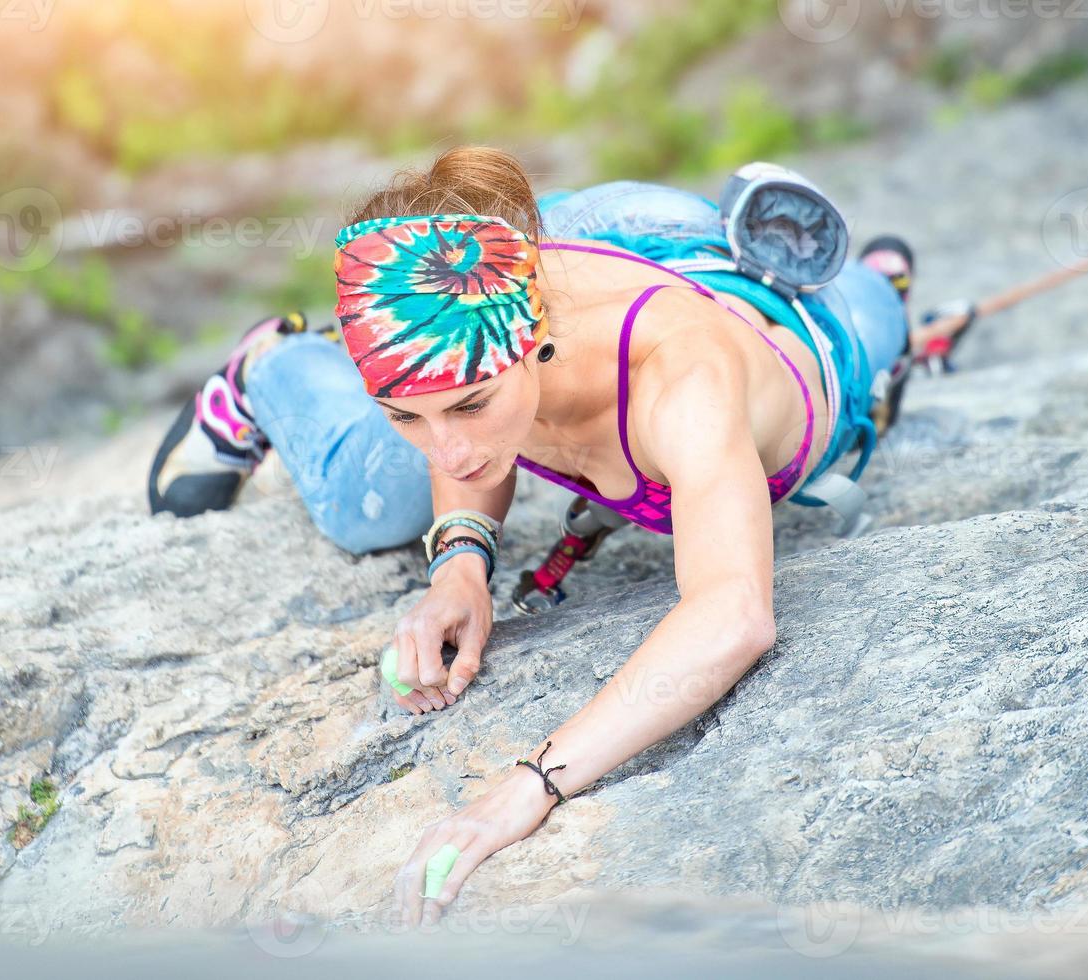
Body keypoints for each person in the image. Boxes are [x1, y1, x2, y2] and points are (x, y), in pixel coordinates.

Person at [146, 146, 952, 924]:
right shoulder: (491, 334)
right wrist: (460, 565)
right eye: (406, 415)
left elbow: (733, 614)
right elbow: (464, 434)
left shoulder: (681, 378)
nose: (450, 449)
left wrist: (529, 788)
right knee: (381, 503)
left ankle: (873, 283)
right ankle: (271, 367)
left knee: (875, 315)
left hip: (737, 301)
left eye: (468, 406)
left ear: (533, 337)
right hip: (567, 236)